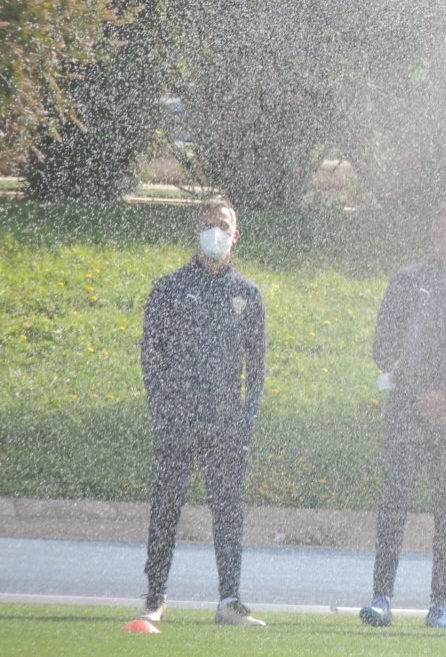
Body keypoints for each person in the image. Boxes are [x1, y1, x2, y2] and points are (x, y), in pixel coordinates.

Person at [359, 202, 446, 630]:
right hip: (408, 409)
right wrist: (419, 393)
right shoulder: (407, 282)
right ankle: (381, 597)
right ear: (433, 235)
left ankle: (440, 604)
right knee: (395, 504)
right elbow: (383, 347)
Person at [138, 198, 267, 626]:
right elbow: (150, 357)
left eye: (224, 225)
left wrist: (246, 420)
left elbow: (258, 369)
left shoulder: (247, 294)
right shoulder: (169, 288)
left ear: (236, 235)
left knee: (229, 512)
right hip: (176, 421)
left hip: (225, 424)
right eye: (209, 224)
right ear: (196, 232)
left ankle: (229, 600)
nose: (216, 232)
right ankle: (154, 597)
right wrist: (162, 409)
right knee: (165, 509)